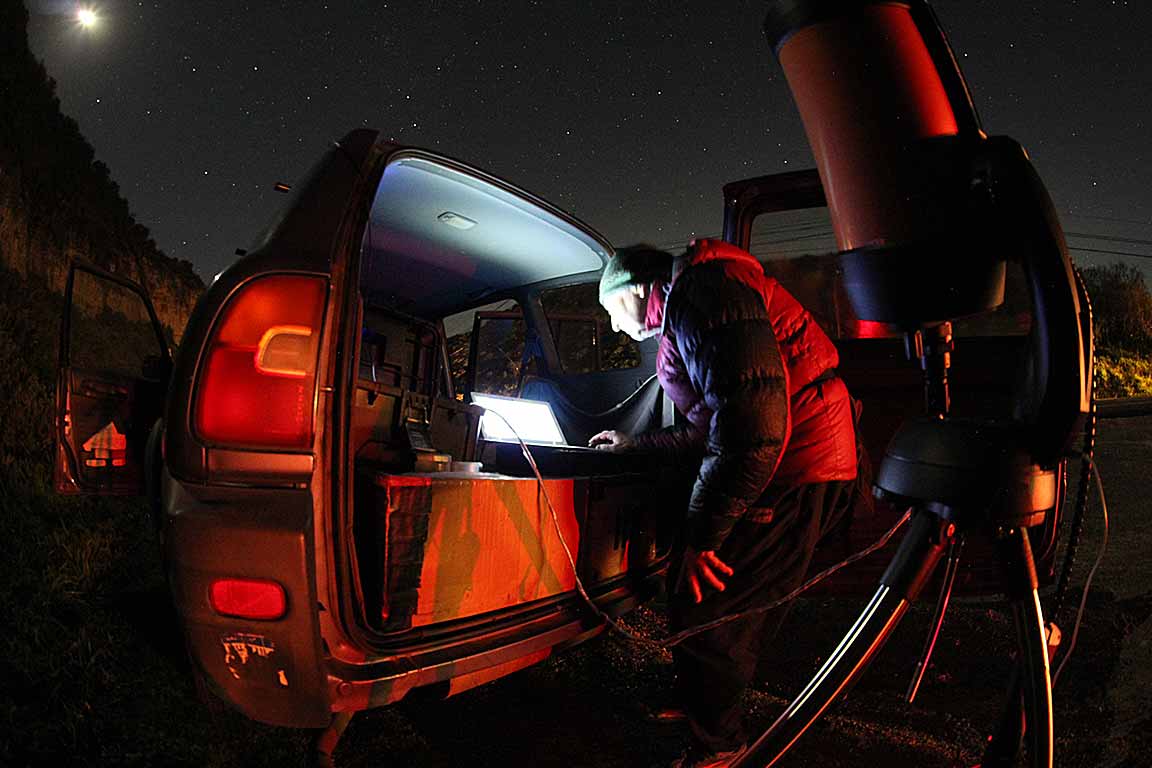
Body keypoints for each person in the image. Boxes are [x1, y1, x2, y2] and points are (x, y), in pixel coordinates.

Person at [590, 240, 861, 768]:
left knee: (716, 608)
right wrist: (636, 445)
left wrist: (705, 536)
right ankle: (699, 704)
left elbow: (753, 427)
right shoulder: (690, 307)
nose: (616, 327)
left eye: (612, 310)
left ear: (638, 288)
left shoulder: (705, 294)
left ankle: (721, 747)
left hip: (797, 467)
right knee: (699, 596)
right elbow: (711, 424)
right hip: (780, 461)